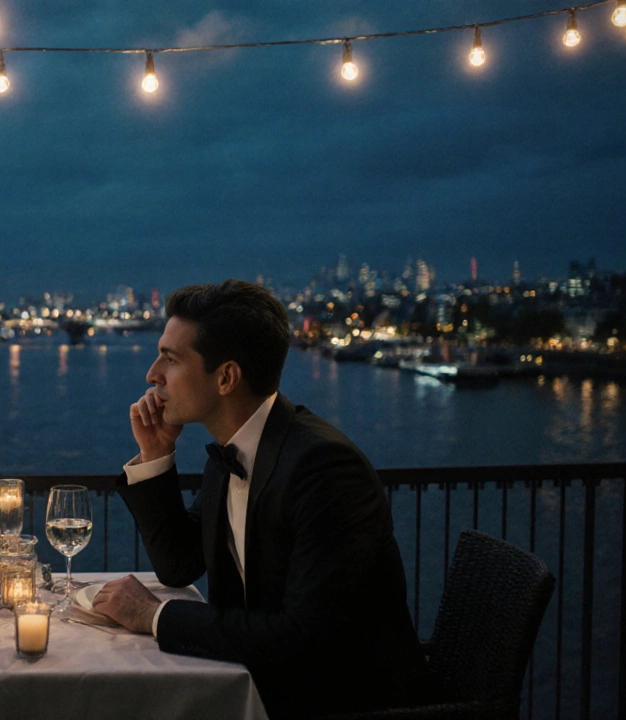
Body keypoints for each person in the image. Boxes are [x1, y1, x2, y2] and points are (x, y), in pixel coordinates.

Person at [92, 280, 435, 719]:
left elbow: (303, 639)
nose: (152, 373)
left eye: (171, 359)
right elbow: (179, 564)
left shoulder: (323, 467)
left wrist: (155, 617)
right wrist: (157, 455)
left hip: (344, 703)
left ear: (227, 378)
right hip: (267, 685)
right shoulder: (234, 450)